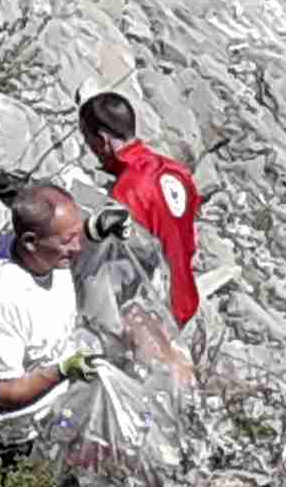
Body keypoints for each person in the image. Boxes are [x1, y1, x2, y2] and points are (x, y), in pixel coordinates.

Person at [0, 181, 102, 458]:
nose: (78, 247)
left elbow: (61, 234)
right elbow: (3, 393)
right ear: (30, 242)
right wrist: (62, 370)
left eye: (77, 234)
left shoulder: (47, 254)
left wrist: (95, 229)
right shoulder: (2, 298)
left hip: (34, 423)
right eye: (67, 241)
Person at [79, 92, 205, 337]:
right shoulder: (176, 171)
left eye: (89, 141)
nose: (91, 150)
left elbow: (124, 256)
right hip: (187, 296)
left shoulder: (127, 190)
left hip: (159, 311)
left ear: (103, 139)